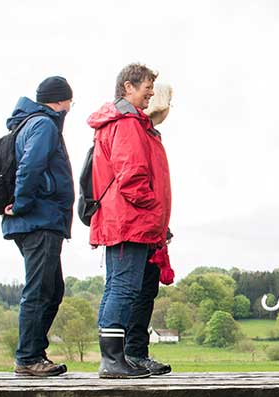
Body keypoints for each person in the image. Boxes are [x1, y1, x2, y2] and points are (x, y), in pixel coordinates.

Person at [88, 63, 172, 379]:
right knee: (124, 288)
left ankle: (115, 357)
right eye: (147, 88)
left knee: (117, 286)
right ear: (128, 87)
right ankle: (113, 361)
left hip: (122, 218)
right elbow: (132, 175)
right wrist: (154, 210)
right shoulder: (127, 124)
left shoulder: (118, 122)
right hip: (131, 220)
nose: (150, 95)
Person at [1, 76, 75, 377]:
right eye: (70, 101)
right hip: (40, 219)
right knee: (40, 289)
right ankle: (28, 357)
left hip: (37, 219)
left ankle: (34, 352)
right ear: (60, 100)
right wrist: (21, 203)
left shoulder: (27, 124)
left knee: (52, 289)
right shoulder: (44, 124)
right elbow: (31, 166)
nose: (70, 108)